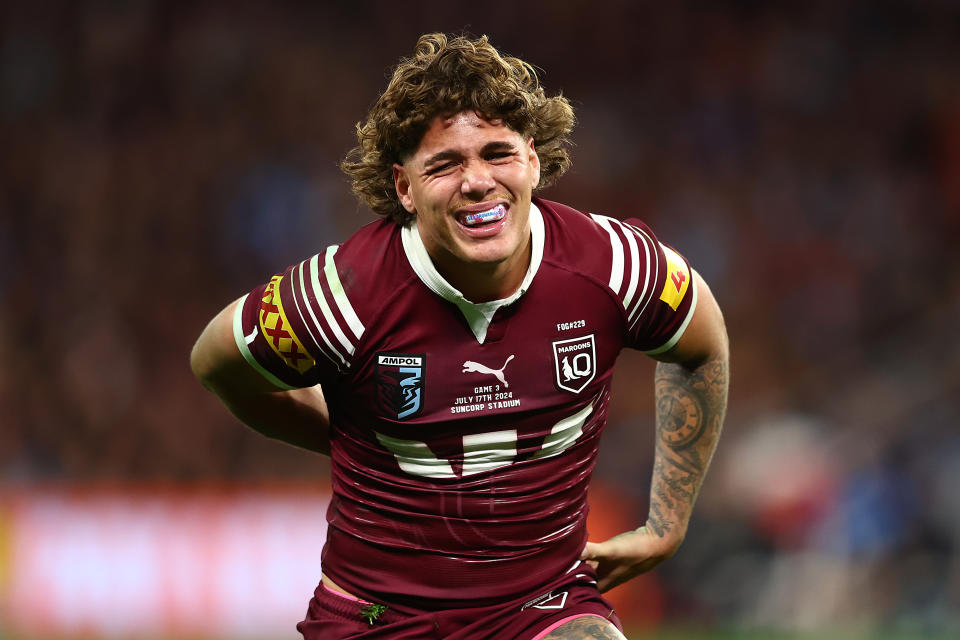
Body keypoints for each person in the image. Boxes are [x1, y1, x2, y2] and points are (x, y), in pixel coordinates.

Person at [191, 32, 729, 640]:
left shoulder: (615, 267)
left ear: (532, 158)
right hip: (378, 617)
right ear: (404, 188)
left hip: (544, 603)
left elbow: (700, 346)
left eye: (496, 153)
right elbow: (217, 362)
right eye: (444, 164)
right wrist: (339, 434)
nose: (477, 182)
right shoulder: (341, 297)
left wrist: (667, 525)